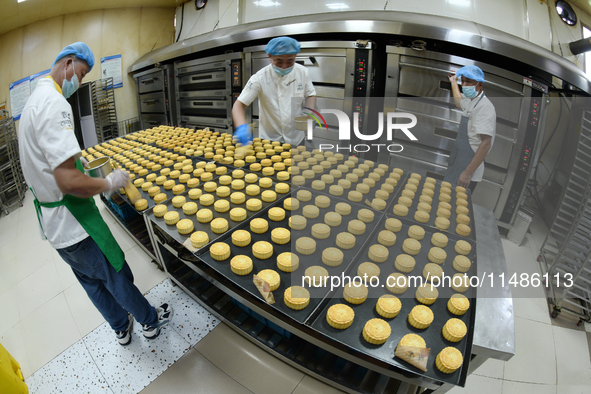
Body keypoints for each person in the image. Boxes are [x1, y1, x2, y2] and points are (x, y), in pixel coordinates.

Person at [18, 42, 172, 346]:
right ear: (68, 63)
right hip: (76, 221)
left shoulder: (34, 101)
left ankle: (120, 327)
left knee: (90, 281)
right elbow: (68, 182)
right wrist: (109, 183)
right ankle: (150, 321)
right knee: (115, 273)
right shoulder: (55, 103)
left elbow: (46, 160)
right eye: (82, 73)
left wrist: (76, 159)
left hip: (54, 225)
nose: (80, 81)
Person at [232, 36, 317, 146]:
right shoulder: (259, 78)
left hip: (296, 138)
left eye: (290, 61)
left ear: (295, 56)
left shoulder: (302, 72)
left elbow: (310, 94)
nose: (284, 66)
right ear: (270, 57)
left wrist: (307, 113)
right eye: (279, 61)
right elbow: (239, 105)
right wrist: (241, 127)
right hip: (269, 141)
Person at [446, 65, 496, 193]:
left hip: (468, 169)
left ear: (479, 85)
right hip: (458, 163)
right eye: (462, 81)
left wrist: (468, 173)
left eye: (468, 81)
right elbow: (459, 102)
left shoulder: (485, 107)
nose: (464, 84)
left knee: (455, 207)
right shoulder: (472, 101)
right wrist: (453, 83)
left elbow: (486, 144)